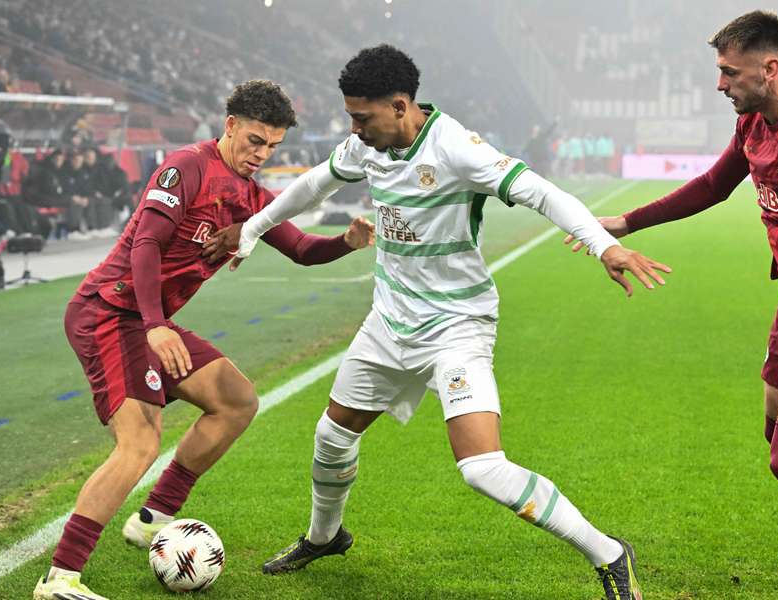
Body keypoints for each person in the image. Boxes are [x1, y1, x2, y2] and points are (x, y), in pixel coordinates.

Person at [206, 45, 669, 600]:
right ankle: (325, 537)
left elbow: (541, 192)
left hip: (455, 326)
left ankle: (609, 552)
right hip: (389, 320)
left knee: (481, 467)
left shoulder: (457, 149)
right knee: (332, 436)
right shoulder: (366, 145)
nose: (353, 129)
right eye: (350, 116)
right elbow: (314, 184)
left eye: (362, 117)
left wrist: (602, 245)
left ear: (401, 106)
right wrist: (254, 228)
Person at [570, 11, 778, 599]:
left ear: (769, 69)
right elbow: (715, 185)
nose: (720, 84)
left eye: (728, 72)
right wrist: (626, 220)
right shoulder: (755, 123)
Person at [34, 79, 375, 600]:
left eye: (273, 146)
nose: (262, 154)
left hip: (148, 321)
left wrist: (346, 243)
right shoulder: (186, 167)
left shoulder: (252, 196)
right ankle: (59, 579)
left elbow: (302, 248)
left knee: (236, 401)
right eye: (255, 141)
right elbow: (146, 244)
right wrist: (156, 325)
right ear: (231, 125)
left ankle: (154, 519)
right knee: (140, 442)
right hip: (110, 311)